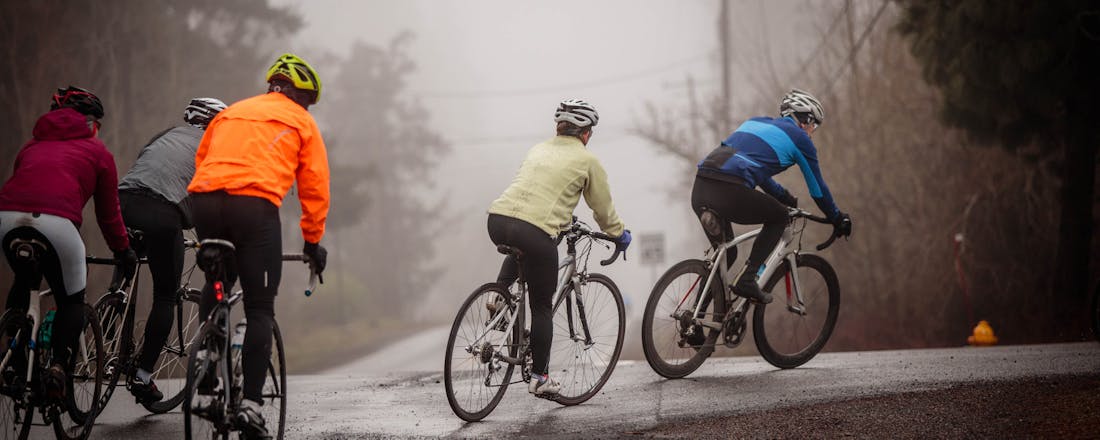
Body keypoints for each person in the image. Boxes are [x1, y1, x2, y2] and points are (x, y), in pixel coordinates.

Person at [187, 53, 328, 437]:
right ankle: (250, 404)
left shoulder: (230, 113)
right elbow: (313, 186)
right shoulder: (301, 120)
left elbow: (202, 160)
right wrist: (312, 242)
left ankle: (207, 357)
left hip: (204, 203)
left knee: (217, 284)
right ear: (301, 95)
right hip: (253, 208)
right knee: (260, 307)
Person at [0, 86, 137, 400]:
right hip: (58, 225)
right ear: (89, 123)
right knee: (71, 301)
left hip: (6, 219)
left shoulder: (29, 146)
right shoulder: (98, 153)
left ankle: (16, 361)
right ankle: (60, 370)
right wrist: (122, 249)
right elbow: (108, 214)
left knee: (25, 280)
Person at [487, 99, 631, 396]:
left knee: (523, 246)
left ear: (558, 127)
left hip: (498, 220)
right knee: (542, 304)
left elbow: (537, 194)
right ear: (586, 133)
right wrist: (619, 234)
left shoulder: (538, 149)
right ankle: (540, 378)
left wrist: (561, 220)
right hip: (534, 230)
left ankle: (499, 300)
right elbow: (602, 210)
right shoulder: (588, 161)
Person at [693, 88, 851, 305]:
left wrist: (784, 196)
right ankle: (747, 279)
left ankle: (694, 321)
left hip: (701, 186)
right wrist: (836, 217)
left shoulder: (755, 122)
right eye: (814, 124)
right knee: (779, 216)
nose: (812, 132)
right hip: (728, 190)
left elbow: (755, 172)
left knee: (727, 254)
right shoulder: (801, 140)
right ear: (804, 119)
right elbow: (818, 189)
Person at [117, 97, 227, 403]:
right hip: (162, 213)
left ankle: (112, 313)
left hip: (123, 202)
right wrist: (209, 241)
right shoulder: (212, 148)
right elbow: (208, 201)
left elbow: (145, 169)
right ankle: (142, 376)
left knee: (129, 263)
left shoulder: (165, 135)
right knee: (165, 295)